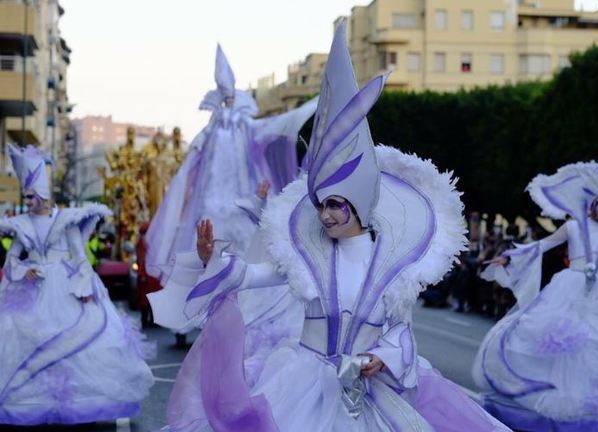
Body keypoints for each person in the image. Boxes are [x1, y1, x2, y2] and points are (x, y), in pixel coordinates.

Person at [149, 22, 509, 432]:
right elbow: (254, 275)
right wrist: (212, 258)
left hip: (370, 394)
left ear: (358, 205)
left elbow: (401, 330)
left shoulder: (391, 262)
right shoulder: (308, 252)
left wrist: (383, 358)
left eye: (336, 205)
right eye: (321, 205)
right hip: (303, 384)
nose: (326, 215)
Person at [474, 148, 598, 431]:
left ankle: (591, 408)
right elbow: (542, 246)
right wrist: (508, 257)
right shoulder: (572, 227)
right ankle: (563, 409)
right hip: (570, 289)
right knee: (566, 347)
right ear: (589, 203)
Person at [0, 144, 154, 425]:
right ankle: (33, 403)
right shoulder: (20, 224)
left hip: (66, 287)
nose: (29, 200)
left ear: (44, 193)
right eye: (27, 195)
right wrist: (25, 271)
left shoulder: (67, 219)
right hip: (31, 291)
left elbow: (81, 258)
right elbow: (10, 263)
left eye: (32, 194)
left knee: (82, 340)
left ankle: (80, 403)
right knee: (24, 337)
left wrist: (84, 288)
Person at [145, 45, 318, 279]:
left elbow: (263, 130)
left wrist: (299, 115)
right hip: (214, 197)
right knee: (213, 248)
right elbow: (195, 160)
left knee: (250, 245)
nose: (227, 100)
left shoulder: (243, 123)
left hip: (241, 193)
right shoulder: (212, 128)